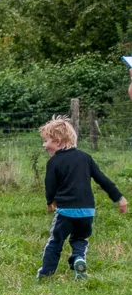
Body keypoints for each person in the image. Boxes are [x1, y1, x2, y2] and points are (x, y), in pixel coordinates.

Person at [36, 116, 127, 280]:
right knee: (80, 239)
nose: (44, 145)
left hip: (65, 211)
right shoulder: (86, 157)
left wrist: (50, 201)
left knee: (56, 241)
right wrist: (119, 197)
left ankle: (46, 273)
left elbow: (50, 184)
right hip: (87, 211)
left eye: (46, 140)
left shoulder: (54, 162)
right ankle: (78, 259)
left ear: (57, 141)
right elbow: (102, 179)